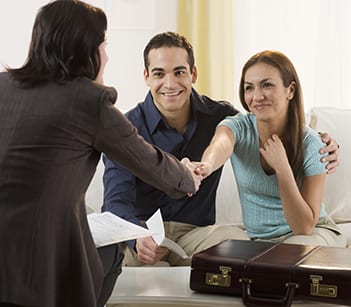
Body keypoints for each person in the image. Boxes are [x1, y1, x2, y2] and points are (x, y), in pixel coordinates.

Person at [0, 2, 202, 307]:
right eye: (103, 44)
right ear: (86, 49)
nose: (106, 55)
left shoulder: (3, 87)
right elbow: (151, 163)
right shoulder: (89, 102)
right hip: (37, 260)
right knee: (110, 251)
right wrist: (188, 178)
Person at [102, 32, 341, 267]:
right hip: (142, 231)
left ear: (193, 74)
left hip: (195, 234)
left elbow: (255, 124)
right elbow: (115, 202)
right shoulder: (124, 129)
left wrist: (319, 140)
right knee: (106, 254)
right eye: (159, 73)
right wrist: (137, 239)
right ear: (146, 77)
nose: (170, 83)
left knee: (244, 249)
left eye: (179, 72)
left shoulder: (218, 115)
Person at [195, 50, 346, 247]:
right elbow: (221, 143)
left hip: (312, 234)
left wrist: (282, 167)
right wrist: (206, 166)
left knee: (292, 252)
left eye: (267, 85)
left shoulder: (312, 145)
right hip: (260, 241)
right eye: (249, 87)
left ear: (290, 90)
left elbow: (304, 227)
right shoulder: (238, 126)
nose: (257, 96)